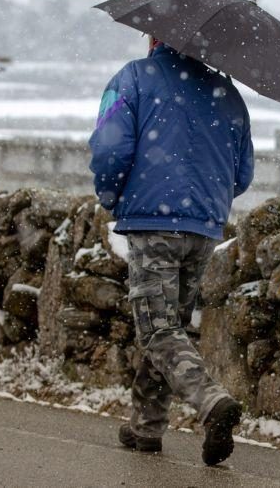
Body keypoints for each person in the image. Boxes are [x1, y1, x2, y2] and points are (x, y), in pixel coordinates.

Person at [88, 33, 254, 465]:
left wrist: (111, 195)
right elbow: (243, 173)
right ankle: (146, 425)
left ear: (157, 36)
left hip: (152, 221)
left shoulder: (133, 78)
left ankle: (211, 401)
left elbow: (109, 147)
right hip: (203, 227)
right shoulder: (228, 93)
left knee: (157, 329)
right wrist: (204, 200)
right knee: (168, 323)